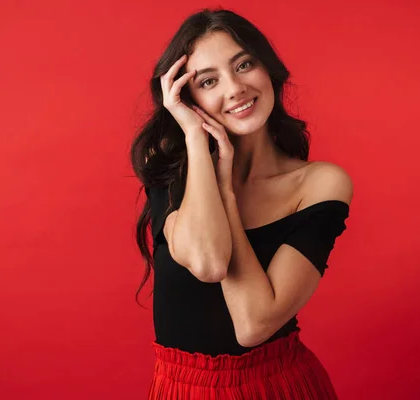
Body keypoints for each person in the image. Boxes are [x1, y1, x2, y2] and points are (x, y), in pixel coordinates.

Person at [130, 8, 353, 399]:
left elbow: (253, 324)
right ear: (186, 97)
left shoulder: (319, 183)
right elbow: (208, 260)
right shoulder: (169, 167)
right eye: (209, 81)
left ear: (268, 70)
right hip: (182, 389)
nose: (234, 88)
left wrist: (226, 192)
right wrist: (197, 142)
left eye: (244, 64)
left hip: (276, 386)